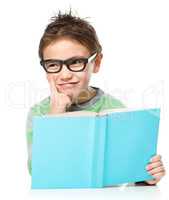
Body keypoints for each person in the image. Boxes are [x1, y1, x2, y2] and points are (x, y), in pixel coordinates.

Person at [26, 10, 165, 186]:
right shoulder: (38, 113)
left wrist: (146, 176)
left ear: (96, 62)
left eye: (76, 62)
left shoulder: (115, 108)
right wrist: (55, 117)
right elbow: (36, 170)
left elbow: (128, 174)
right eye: (53, 65)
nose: (65, 74)